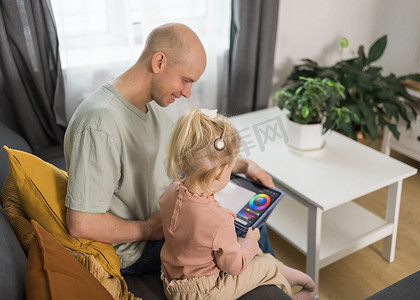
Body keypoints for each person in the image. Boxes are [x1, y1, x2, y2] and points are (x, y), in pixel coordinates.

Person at [64, 23, 275, 275]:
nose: (187, 93)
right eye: (185, 80)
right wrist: (147, 229)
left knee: (249, 220)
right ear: (159, 62)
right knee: (248, 234)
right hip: (138, 249)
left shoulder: (149, 105)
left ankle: (282, 281)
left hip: (171, 218)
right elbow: (81, 223)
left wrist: (243, 165)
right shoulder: (99, 124)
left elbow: (193, 155)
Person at [159, 108, 316, 300]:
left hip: (173, 281)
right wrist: (252, 239)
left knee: (243, 245)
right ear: (221, 171)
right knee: (266, 264)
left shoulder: (170, 193)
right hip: (203, 293)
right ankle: (302, 290)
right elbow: (234, 267)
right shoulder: (219, 220)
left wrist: (224, 223)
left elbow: (192, 224)